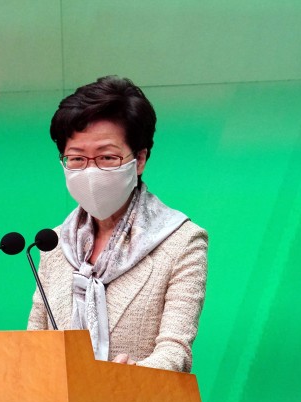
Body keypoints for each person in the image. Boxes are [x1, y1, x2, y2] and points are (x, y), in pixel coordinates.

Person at [27, 76, 207, 372]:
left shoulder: (181, 241)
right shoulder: (56, 244)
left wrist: (129, 377)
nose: (91, 171)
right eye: (76, 159)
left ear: (139, 160)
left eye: (107, 157)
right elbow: (34, 344)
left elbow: (176, 351)